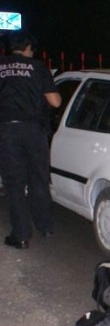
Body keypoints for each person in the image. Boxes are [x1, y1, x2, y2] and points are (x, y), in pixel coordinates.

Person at [0, 30, 61, 249]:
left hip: (6, 131)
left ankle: (21, 236)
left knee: (14, 184)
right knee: (39, 179)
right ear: (28, 48)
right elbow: (54, 102)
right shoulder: (38, 67)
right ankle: (45, 227)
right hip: (34, 131)